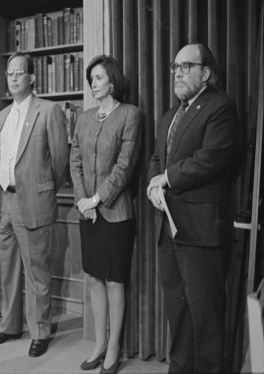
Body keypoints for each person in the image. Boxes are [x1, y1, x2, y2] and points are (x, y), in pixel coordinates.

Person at [147, 43, 240, 374]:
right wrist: (152, 185)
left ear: (207, 73)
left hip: (202, 231)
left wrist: (165, 179)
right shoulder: (170, 116)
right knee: (178, 311)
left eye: (186, 66)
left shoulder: (221, 108)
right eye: (175, 67)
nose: (177, 73)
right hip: (170, 231)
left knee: (207, 318)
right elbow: (157, 158)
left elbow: (211, 158)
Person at [0, 51, 69, 358]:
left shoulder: (48, 110)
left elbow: (60, 160)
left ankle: (40, 331)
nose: (14, 78)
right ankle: (9, 326)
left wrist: (43, 191)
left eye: (20, 73)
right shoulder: (1, 116)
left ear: (32, 77)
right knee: (7, 271)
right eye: (10, 74)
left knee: (37, 273)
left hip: (33, 203)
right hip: (3, 202)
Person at [70, 55, 141, 374]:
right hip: (88, 212)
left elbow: (125, 166)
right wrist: (84, 201)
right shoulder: (83, 118)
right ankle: (99, 344)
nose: (93, 84)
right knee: (94, 278)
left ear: (112, 81)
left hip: (115, 212)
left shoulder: (130, 115)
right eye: (91, 79)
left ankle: (114, 349)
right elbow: (75, 161)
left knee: (114, 281)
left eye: (98, 78)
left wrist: (98, 199)